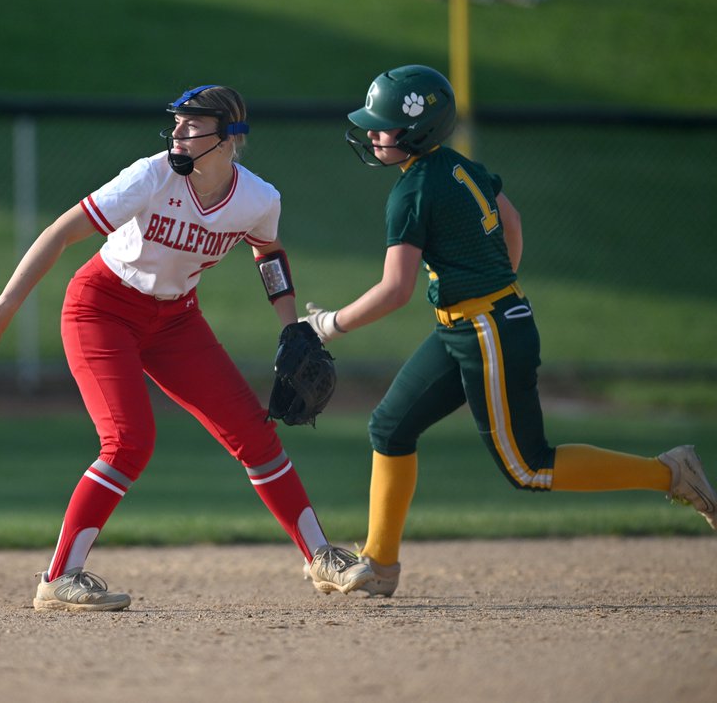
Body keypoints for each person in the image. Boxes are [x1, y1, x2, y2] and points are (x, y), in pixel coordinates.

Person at [302, 64, 717, 597]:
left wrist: (329, 324)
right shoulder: (460, 165)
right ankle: (379, 564)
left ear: (419, 131)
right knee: (390, 427)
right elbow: (511, 221)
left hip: (486, 332)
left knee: (528, 467)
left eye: (385, 125)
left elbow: (396, 289)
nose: (374, 134)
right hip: (472, 325)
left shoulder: (410, 192)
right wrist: (498, 286)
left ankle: (671, 472)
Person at [0, 85, 365, 611]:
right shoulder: (151, 176)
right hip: (101, 309)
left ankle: (321, 557)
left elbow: (268, 253)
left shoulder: (258, 198)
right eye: (176, 122)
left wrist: (291, 327)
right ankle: (59, 578)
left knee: (254, 434)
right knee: (128, 442)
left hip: (176, 320)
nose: (177, 132)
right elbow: (62, 231)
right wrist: (7, 301)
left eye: (192, 124)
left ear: (228, 137)